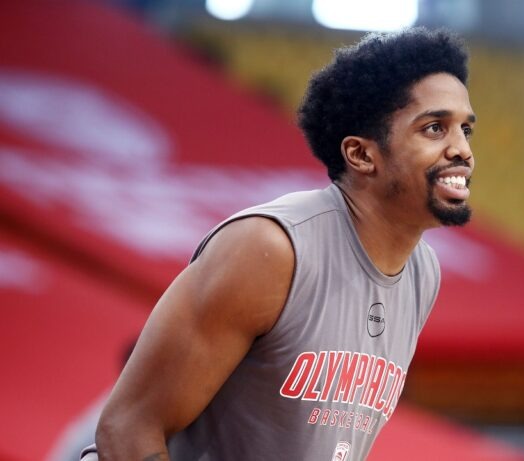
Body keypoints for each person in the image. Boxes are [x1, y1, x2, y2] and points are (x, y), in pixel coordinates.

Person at [82, 27, 476, 461]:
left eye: (465, 130)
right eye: (435, 128)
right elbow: (127, 428)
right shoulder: (271, 249)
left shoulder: (422, 272)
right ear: (362, 155)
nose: (462, 150)